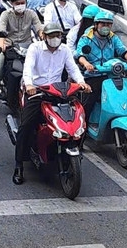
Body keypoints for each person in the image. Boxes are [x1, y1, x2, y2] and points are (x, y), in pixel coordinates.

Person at [13, 23, 89, 185]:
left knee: (78, 118)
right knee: (26, 126)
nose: (55, 39)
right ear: (44, 36)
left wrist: (81, 83)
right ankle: (19, 165)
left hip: (59, 92)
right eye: (52, 35)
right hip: (38, 92)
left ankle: (74, 147)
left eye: (58, 36)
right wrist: (29, 85)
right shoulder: (35, 48)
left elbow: (73, 69)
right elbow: (28, 69)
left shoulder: (65, 50)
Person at [75, 10, 127, 121]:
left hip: (111, 73)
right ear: (96, 24)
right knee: (90, 99)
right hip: (93, 74)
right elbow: (80, 55)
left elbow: (123, 50)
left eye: (109, 24)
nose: (106, 27)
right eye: (103, 24)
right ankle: (83, 124)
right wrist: (87, 64)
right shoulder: (86, 37)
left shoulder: (113, 37)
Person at [0, 0, 44, 111]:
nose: (20, 5)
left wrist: (44, 38)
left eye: (23, 2)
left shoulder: (31, 14)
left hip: (27, 48)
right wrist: (2, 46)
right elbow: (1, 32)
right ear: (12, 3)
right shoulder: (6, 15)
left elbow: (39, 28)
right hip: (10, 48)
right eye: (18, 3)